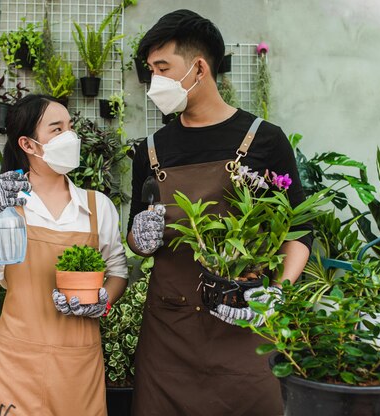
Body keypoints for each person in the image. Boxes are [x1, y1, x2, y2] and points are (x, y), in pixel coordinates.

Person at [127, 10, 312, 416]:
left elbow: (299, 231)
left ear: (198, 67)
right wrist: (140, 236)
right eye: (151, 70)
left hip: (244, 327)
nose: (155, 81)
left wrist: (274, 294)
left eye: (162, 68)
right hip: (168, 336)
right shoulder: (151, 149)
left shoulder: (264, 140)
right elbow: (136, 237)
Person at [0, 94, 128, 415]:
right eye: (57, 129)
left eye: (71, 127)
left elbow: (118, 272)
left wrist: (103, 300)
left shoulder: (97, 207)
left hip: (79, 368)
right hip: (17, 367)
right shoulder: (4, 210)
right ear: (28, 145)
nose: (71, 136)